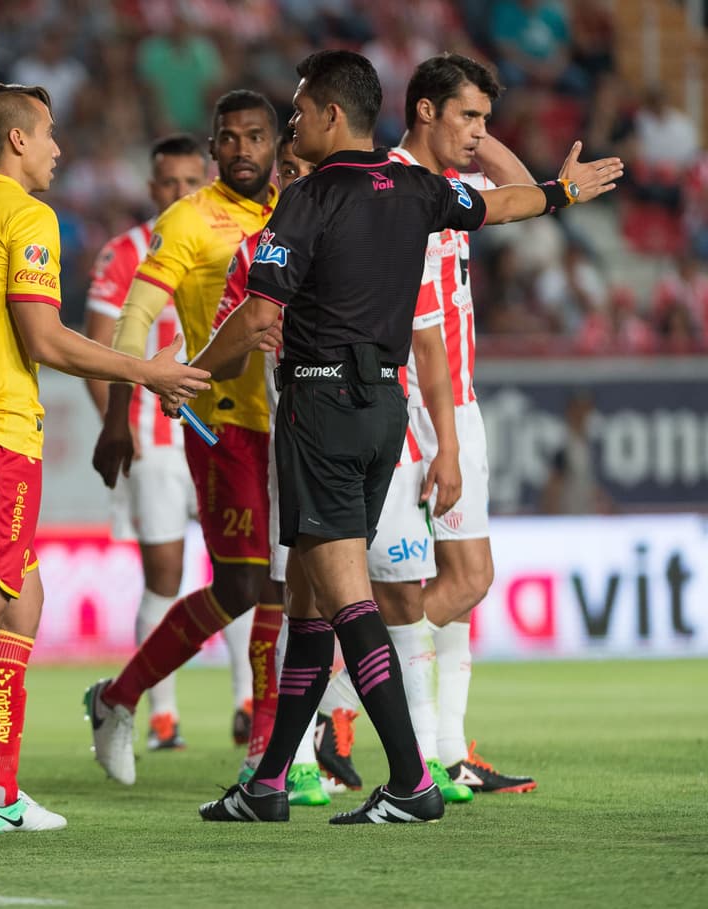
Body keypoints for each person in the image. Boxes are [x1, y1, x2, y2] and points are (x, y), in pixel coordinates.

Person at [185, 49, 620, 824]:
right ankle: (269, 781)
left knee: (345, 598)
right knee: (315, 601)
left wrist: (192, 372)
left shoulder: (310, 198)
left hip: (319, 404)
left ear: (327, 115)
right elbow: (499, 209)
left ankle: (413, 778)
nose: (292, 124)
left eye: (297, 111)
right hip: (385, 410)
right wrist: (560, 193)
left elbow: (258, 317)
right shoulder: (415, 189)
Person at [0, 83, 210, 842]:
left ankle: (0, 790)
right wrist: (145, 371)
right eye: (49, 134)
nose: (58, 148)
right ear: (16, 140)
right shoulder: (27, 218)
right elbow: (45, 340)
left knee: (23, 600)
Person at [316, 54, 543, 798]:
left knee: (466, 577)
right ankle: (362, 713)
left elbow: (526, 195)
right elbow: (416, 326)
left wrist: (482, 132)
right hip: (406, 402)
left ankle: (431, 740)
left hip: (459, 399)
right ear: (422, 111)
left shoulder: (454, 187)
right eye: (468, 117)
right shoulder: (390, 189)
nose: (480, 134)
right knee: (414, 587)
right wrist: (442, 435)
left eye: (484, 119)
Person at [86, 90, 283, 788]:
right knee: (247, 584)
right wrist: (119, 412)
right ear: (214, 149)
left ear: (274, 141)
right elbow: (134, 316)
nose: (241, 151)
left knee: (287, 584)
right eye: (228, 139)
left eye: (254, 137)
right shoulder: (191, 220)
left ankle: (278, 746)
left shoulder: (296, 206)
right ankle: (118, 698)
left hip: (297, 420)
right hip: (227, 423)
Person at [210, 126, 334, 806]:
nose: (290, 179)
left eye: (302, 165)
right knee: (299, 599)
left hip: (372, 428)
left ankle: (399, 754)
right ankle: (298, 752)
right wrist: (194, 372)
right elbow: (239, 328)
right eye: (286, 168)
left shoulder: (363, 228)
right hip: (300, 435)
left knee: (361, 598)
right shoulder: (257, 250)